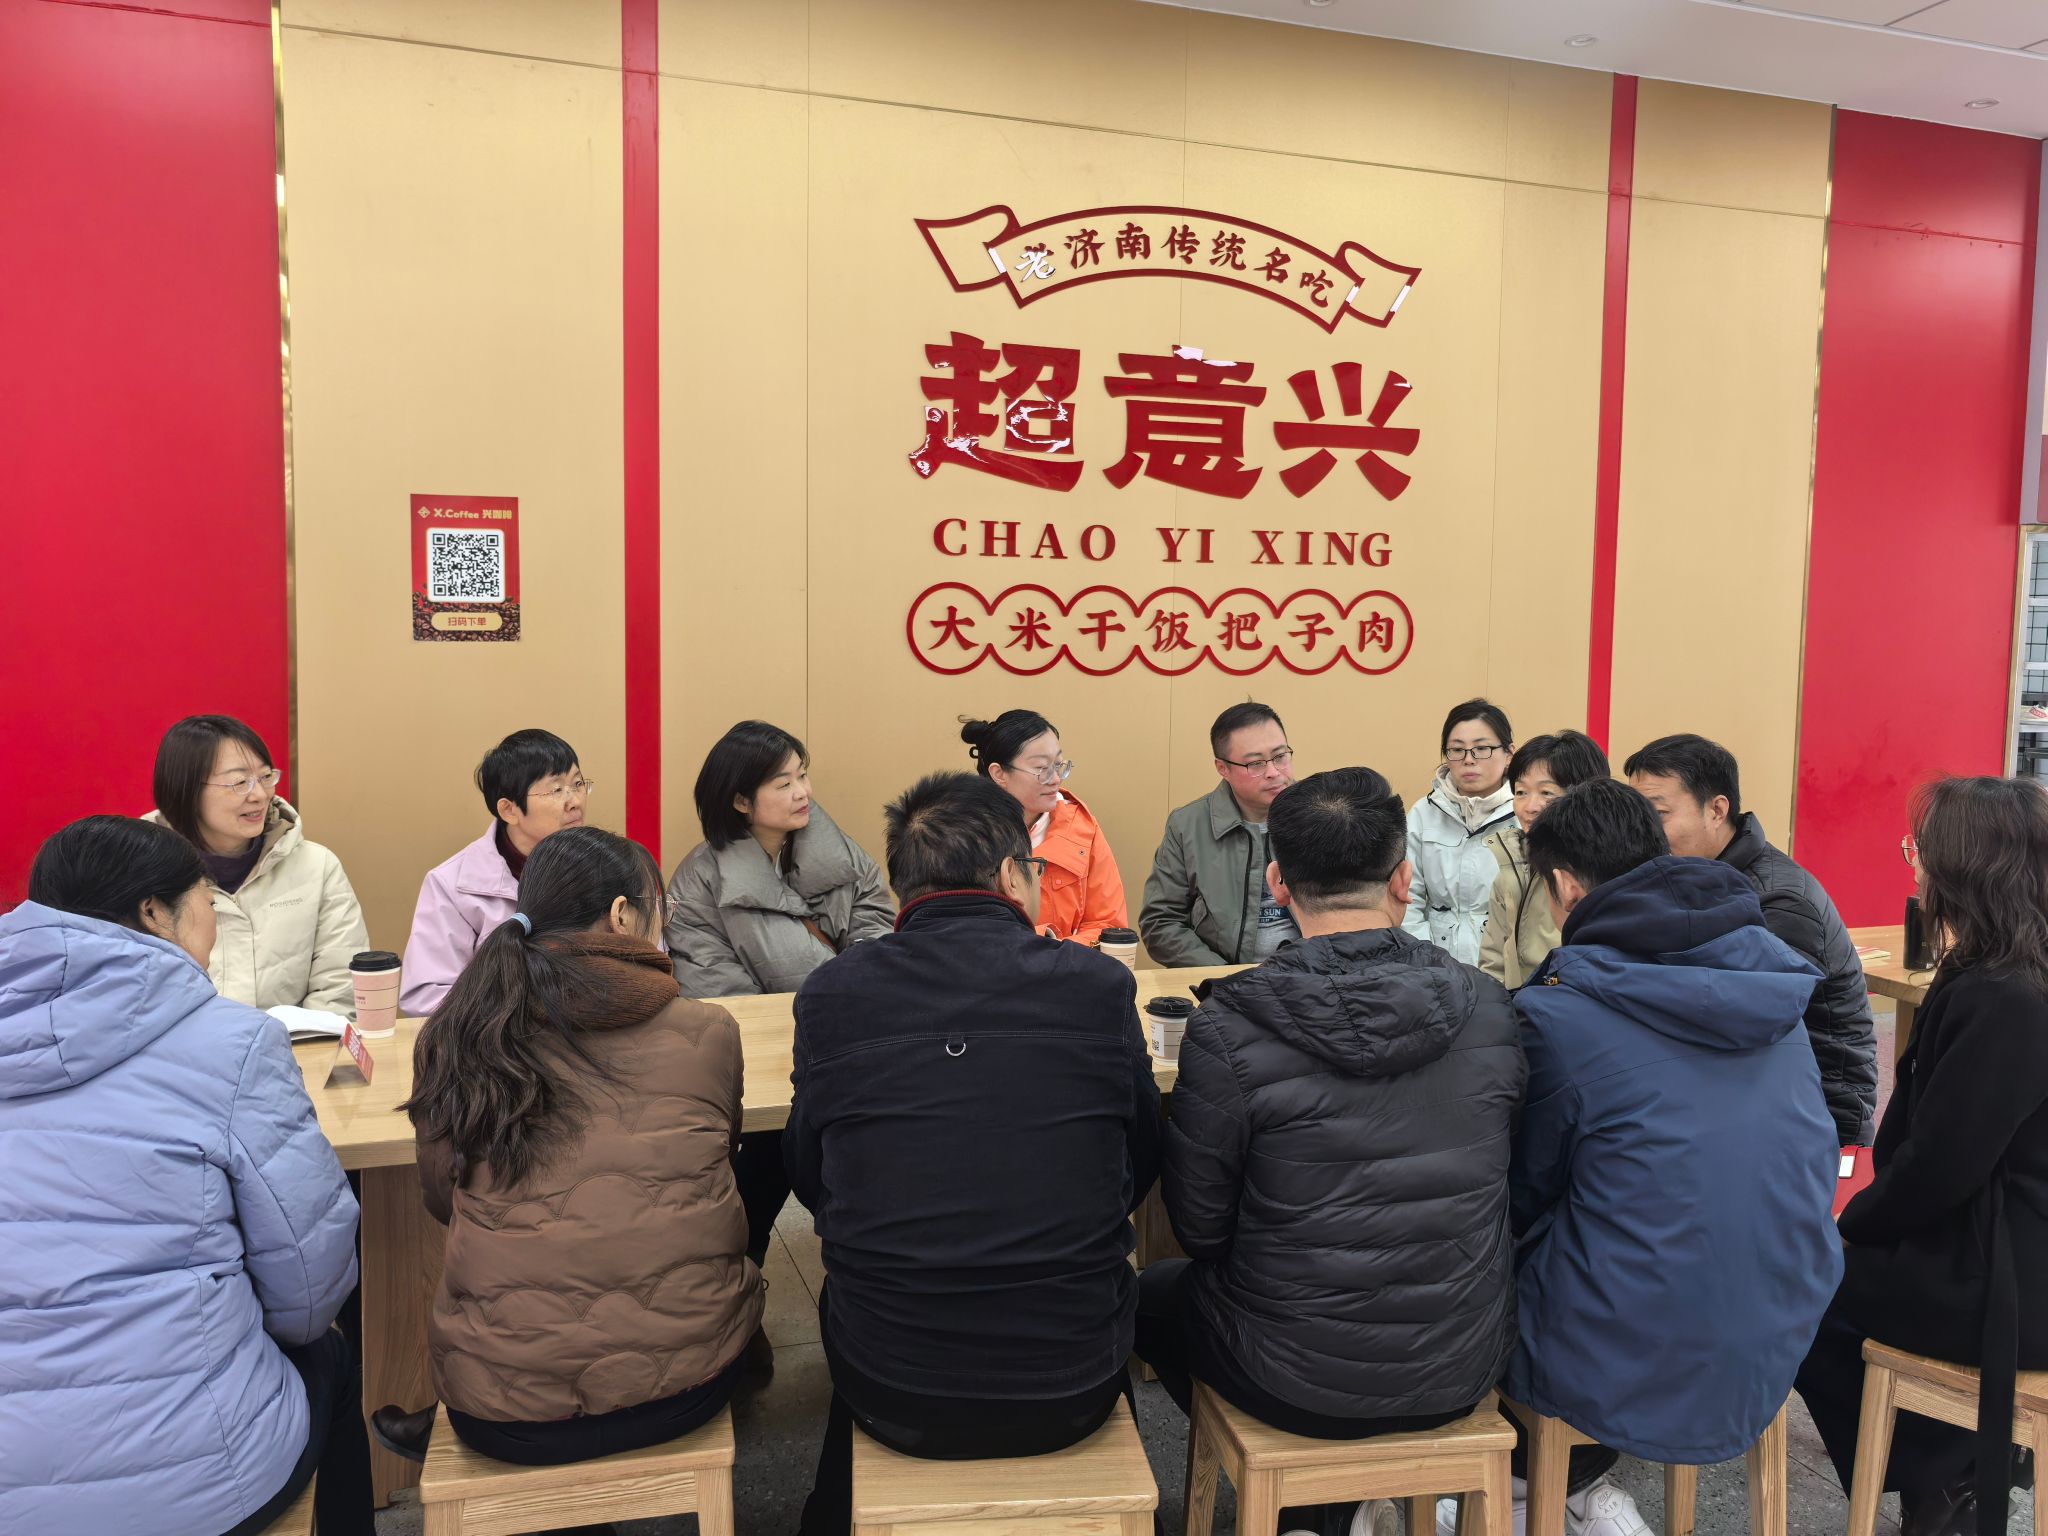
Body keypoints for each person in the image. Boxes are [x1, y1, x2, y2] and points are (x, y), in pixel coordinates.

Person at [1143, 768, 1525, 1536]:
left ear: (1277, 884)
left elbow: (1202, 1227)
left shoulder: (1228, 1027)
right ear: (1404, 880)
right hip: (1463, 1366)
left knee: (1152, 1298)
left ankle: (1314, 1509)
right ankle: (1339, 1506)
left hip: (1290, 1381)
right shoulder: (1489, 1008)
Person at [785, 773, 1162, 1536]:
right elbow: (1143, 1156)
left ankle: (832, 1509)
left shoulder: (833, 993)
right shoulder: (1094, 987)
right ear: (1011, 875)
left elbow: (810, 1174)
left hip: (892, 1389)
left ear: (901, 888)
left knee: (853, 1292)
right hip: (1075, 1384)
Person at [1484, 779, 1841, 1536]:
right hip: (1781, 1328)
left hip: (1624, 1353)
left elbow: (1516, 1195)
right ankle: (1578, 1487)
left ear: (1566, 887)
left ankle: (1526, 1490)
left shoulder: (1558, 1016)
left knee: (1466, 1272)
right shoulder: (1772, 987)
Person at [0, 816, 368, 1536]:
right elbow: (308, 1289)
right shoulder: (233, 1043)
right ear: (154, 913)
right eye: (205, 898)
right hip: (198, 1482)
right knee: (329, 1349)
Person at [385, 826, 762, 1467]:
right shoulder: (709, 1031)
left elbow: (440, 1199)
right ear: (621, 917)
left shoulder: (459, 1034)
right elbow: (714, 1167)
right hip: (690, 1388)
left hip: (500, 1414)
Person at [1796, 777, 2048, 1536]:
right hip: (2000, 1242)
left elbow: (1937, 1168)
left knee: (1798, 1297)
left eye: (1921, 852)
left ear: (1967, 869)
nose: (1915, 868)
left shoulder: (2005, 996)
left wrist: (1850, 1227)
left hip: (2008, 1276)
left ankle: (1943, 1480)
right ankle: (1953, 1465)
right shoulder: (2004, 972)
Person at [664, 720, 893, 1271]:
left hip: (860, 1034)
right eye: (784, 783)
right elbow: (714, 985)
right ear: (741, 800)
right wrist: (832, 999)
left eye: (803, 776)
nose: (803, 792)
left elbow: (875, 915)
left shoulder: (836, 850)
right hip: (771, 1053)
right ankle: (744, 1258)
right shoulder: (699, 880)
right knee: (783, 1138)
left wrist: (857, 978)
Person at [1625, 733, 1878, 1145]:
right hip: (1746, 1094)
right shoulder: (1689, 875)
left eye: (1658, 814)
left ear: (1716, 810)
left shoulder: (1781, 901)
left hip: (1815, 1117)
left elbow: (1746, 1022)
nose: (1644, 834)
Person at [144, 713, 370, 1014]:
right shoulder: (138, 874)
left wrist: (288, 1040)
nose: (261, 795)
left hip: (294, 1043)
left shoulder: (317, 867)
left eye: (265, 777)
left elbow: (339, 987)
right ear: (185, 789)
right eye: (240, 782)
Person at [403, 728, 590, 1016]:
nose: (575, 800)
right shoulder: (451, 885)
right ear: (509, 810)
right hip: (499, 1039)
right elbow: (427, 998)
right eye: (556, 790)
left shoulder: (605, 866)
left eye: (577, 784)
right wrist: (533, 1011)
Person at [1141, 701, 1299, 965]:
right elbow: (1161, 923)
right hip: (1224, 979)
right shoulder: (1187, 826)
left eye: (1280, 756)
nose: (1273, 772)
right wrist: (1224, 978)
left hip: (1311, 977)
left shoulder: (1321, 814)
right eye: (1256, 763)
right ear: (1223, 768)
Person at [962, 709, 1128, 945]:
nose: (1055, 779)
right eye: (1041, 768)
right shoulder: (958, 833)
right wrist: (1042, 944)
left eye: (1059, 765)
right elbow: (953, 928)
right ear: (999, 774)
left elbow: (1107, 924)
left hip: (1068, 965)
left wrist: (1052, 952)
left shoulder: (1081, 826)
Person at [1478, 730, 1609, 989]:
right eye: (1521, 792)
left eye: (1547, 793)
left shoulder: (1602, 871)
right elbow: (1493, 961)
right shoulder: (1513, 863)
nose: (1530, 807)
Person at [1403, 698, 1517, 967]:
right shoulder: (1423, 813)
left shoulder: (1524, 814)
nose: (1468, 760)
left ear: (1509, 754)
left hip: (1508, 966)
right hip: (1436, 965)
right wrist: (1427, 962)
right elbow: (1408, 899)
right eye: (1457, 750)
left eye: (1482, 749)